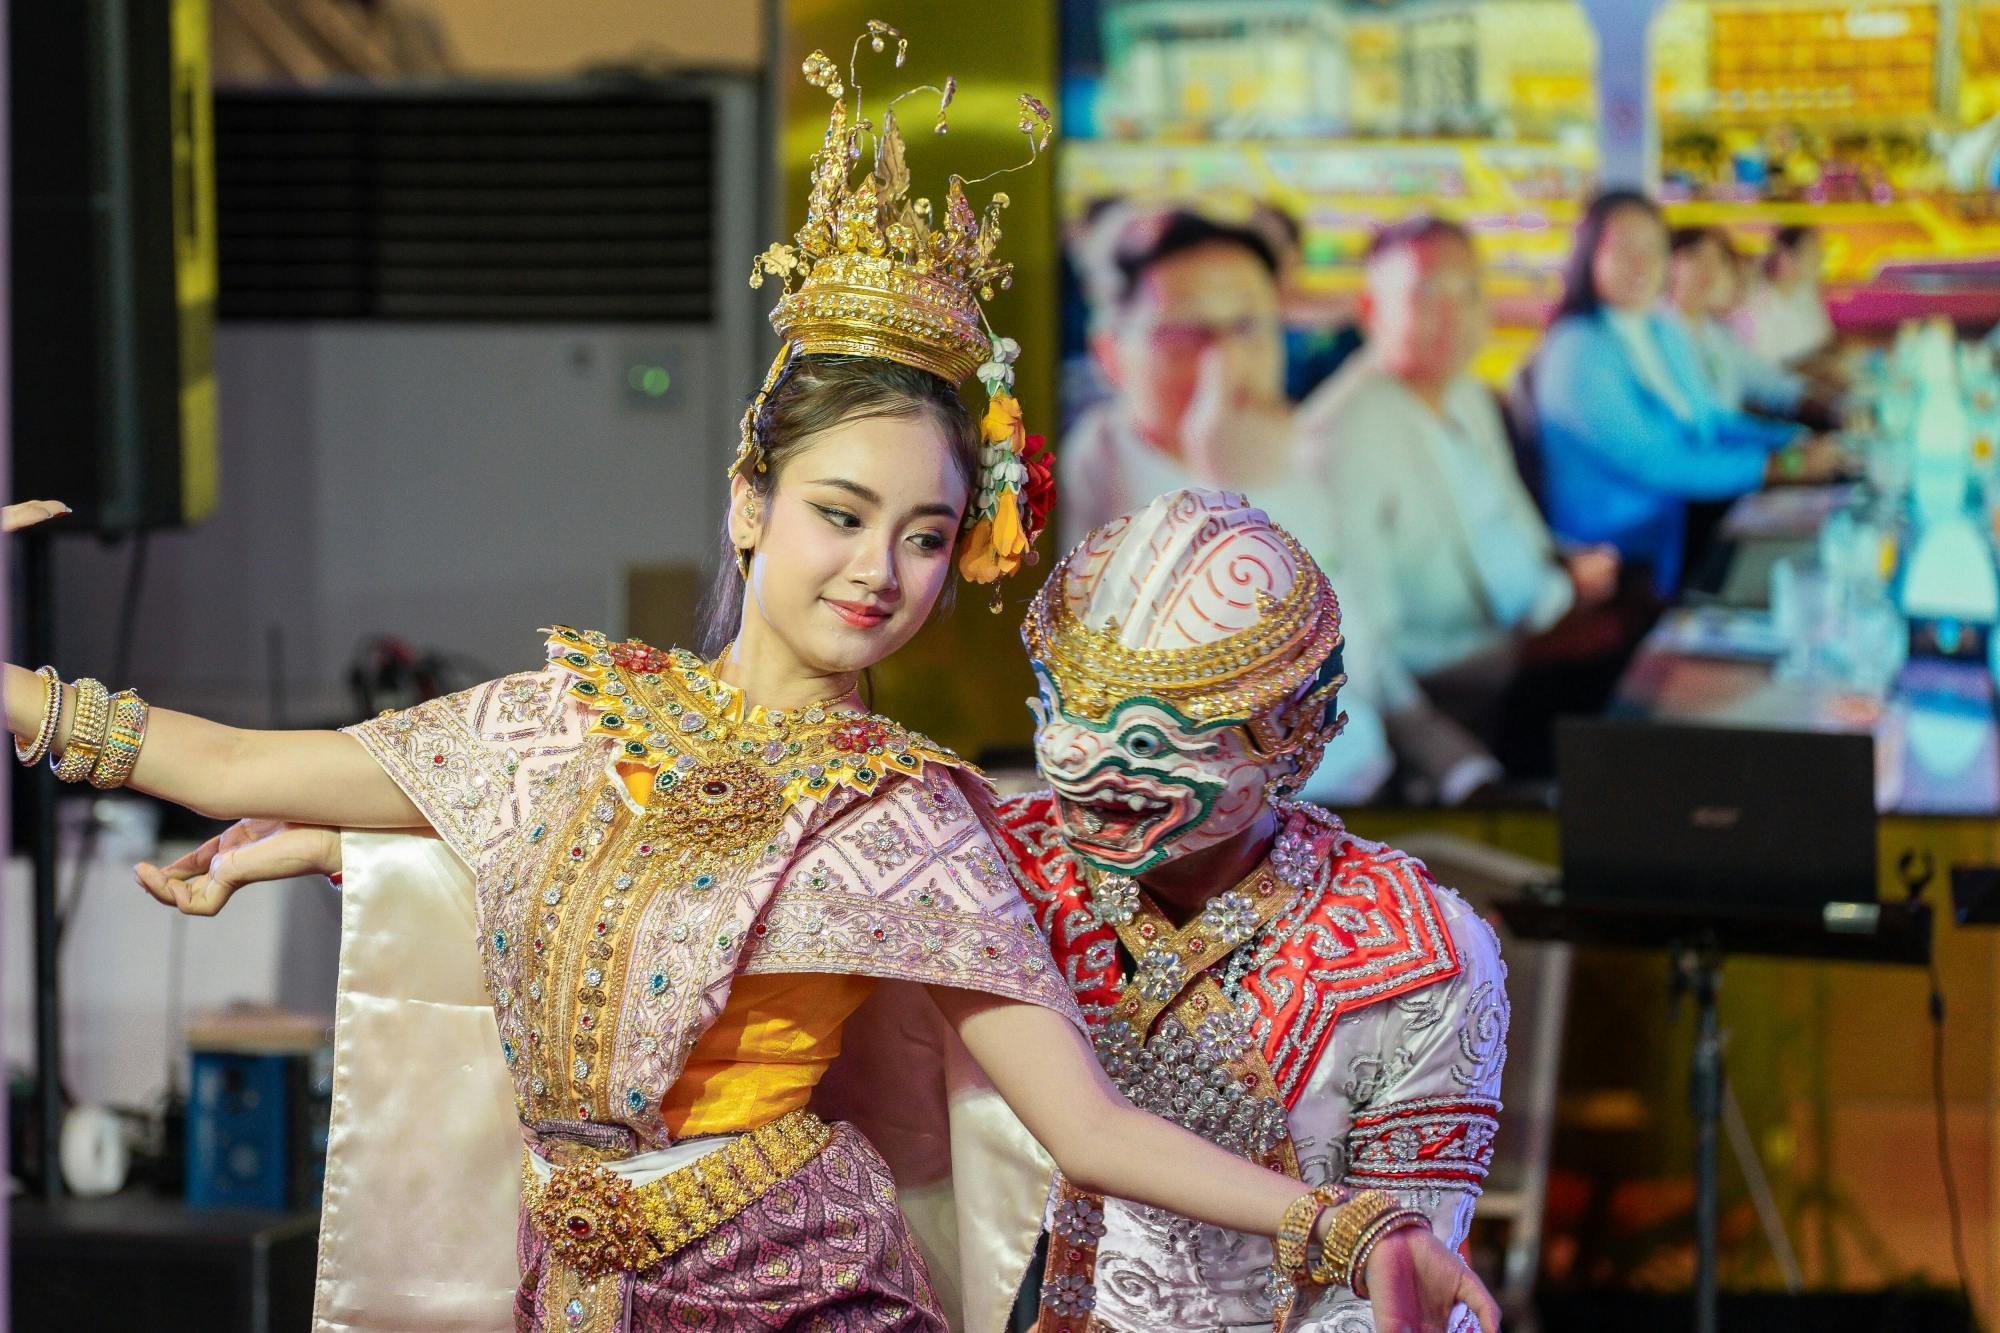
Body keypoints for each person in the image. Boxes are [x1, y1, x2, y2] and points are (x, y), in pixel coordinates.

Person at [40, 33, 1498, 1333]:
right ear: (751, 500)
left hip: (798, 1284)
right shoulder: (569, 722)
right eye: (841, 514)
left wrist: (1343, 1217)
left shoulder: (915, 819)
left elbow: (1090, 1129)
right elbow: (227, 762)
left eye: (929, 536)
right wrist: (333, 831)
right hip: (582, 1285)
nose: (882, 570)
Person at [993, 488, 1510, 1333]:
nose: (1085, 769)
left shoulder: (1418, 948)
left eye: (1152, 742)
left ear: (1293, 734)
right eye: (1067, 716)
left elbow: (1392, 1289)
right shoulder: (992, 867)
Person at [1066, 201, 1502, 806]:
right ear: (1110, 354)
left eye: (1248, 328)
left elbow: (1367, 660)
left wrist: (1459, 769)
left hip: (1368, 797)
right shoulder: (1080, 495)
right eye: (1183, 335)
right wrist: (1231, 491)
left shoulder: (1286, 452)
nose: (1226, 362)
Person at [1299, 217, 1621, 706]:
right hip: (1470, 677)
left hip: (1543, 615)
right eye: (1426, 297)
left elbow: (1498, 514)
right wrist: (1515, 654)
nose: (1453, 316)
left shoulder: (1467, 394)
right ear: (1370, 312)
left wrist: (1562, 564)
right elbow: (1370, 645)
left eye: (1469, 293)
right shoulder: (1340, 437)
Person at [1531, 191, 1845, 596]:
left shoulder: (1658, 331)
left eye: (1653, 249)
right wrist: (1779, 465)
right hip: (1622, 557)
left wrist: (1794, 444)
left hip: (1685, 521)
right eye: (1624, 250)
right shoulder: (1577, 349)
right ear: (1589, 255)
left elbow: (1712, 419)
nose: (1641, 264)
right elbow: (1655, 461)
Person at [1665, 226, 1831, 427]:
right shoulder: (1656, 331)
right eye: (1695, 256)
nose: (1709, 269)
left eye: (1719, 259)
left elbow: (1769, 382)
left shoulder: (1714, 334)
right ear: (1667, 262)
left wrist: (1833, 404)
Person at [1734, 224, 1839, 372]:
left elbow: (1824, 341)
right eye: (1812, 252)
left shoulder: (1807, 293)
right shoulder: (1755, 298)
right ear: (1786, 256)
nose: (1819, 259)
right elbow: (1763, 365)